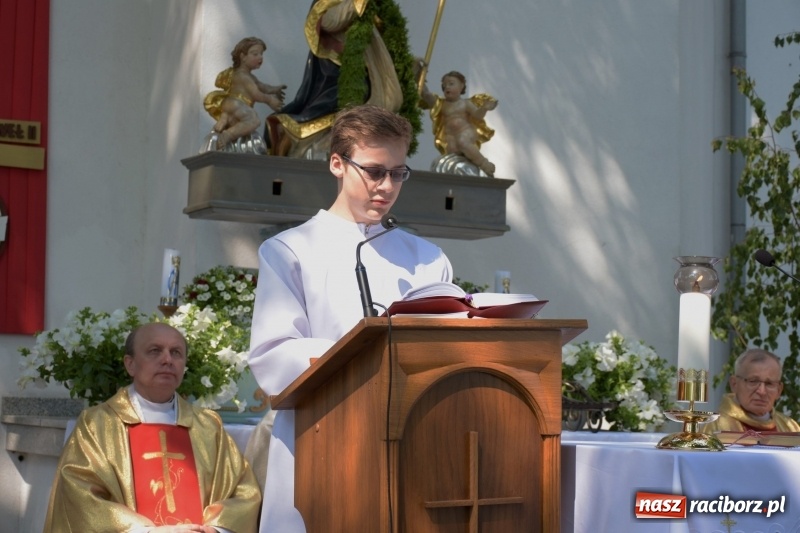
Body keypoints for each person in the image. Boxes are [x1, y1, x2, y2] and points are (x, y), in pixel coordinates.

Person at [248, 104, 453, 531]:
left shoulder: (427, 258)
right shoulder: (290, 250)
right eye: (375, 171)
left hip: (412, 439)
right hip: (321, 441)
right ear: (337, 164)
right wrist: (363, 356)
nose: (387, 186)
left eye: (398, 173)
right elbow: (272, 357)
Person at [44, 323, 261, 533]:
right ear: (130, 364)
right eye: (155, 351)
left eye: (176, 353)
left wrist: (215, 529)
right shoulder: (97, 424)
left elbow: (243, 490)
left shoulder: (208, 426)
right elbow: (78, 494)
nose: (167, 360)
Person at [266, 0, 404, 159]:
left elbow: (380, 25)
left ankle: (356, 148)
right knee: (345, 106)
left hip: (366, 66)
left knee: (383, 103)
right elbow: (329, 21)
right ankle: (319, 145)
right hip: (336, 68)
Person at [204, 36, 286, 150]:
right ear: (243, 57)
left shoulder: (249, 76)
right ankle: (227, 135)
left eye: (261, 54)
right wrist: (270, 100)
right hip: (237, 103)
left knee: (244, 119)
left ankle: (225, 119)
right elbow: (256, 94)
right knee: (254, 121)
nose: (260, 57)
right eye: (255, 54)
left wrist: (275, 89)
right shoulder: (243, 76)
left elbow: (263, 87)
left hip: (233, 105)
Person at [419, 69, 498, 177]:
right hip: (451, 138)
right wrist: (419, 77)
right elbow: (426, 95)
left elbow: (477, 115)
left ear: (461, 86)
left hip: (466, 133)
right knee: (453, 151)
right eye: (444, 85)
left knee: (463, 142)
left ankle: (485, 164)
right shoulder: (441, 104)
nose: (447, 87)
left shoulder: (465, 103)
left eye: (451, 84)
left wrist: (484, 108)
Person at [703, 348, 800, 434]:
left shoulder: (791, 429)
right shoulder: (717, 427)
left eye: (769, 384)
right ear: (734, 384)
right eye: (753, 381)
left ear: (779, 390)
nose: (762, 391)